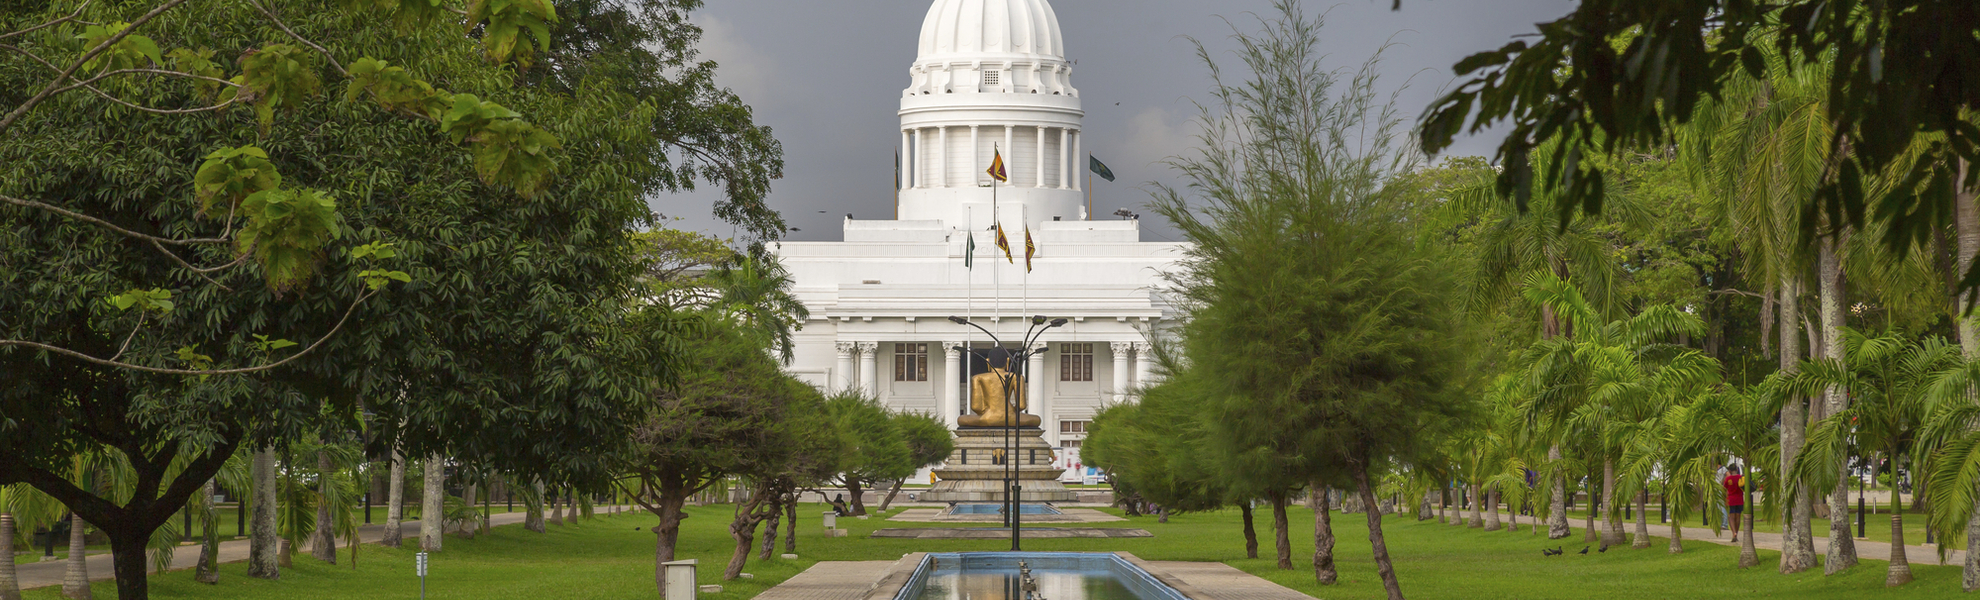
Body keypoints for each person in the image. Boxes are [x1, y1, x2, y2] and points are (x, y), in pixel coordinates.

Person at [1723, 464, 1745, 542]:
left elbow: (1724, 488)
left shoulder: (1728, 479)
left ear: (1729, 470)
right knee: (1738, 517)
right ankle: (1737, 533)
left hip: (1730, 500)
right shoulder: (1740, 478)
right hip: (1739, 499)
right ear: (1736, 469)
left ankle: (1734, 533)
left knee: (1731, 517)